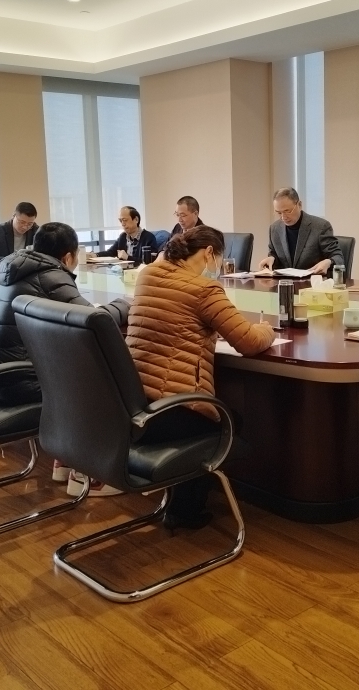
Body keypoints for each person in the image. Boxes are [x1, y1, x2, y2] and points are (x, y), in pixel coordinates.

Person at [126, 226, 275, 530]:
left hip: (135, 403)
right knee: (228, 422)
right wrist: (267, 329)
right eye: (219, 258)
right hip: (173, 408)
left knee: (208, 418)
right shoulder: (204, 289)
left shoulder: (147, 276)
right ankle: (185, 511)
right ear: (209, 253)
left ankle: (179, 502)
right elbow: (248, 342)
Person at [0, 221, 131, 495]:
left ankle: (65, 461)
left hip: (2, 376)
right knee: (106, 380)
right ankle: (91, 475)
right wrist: (125, 303)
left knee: (72, 363)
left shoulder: (17, 270)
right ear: (68, 256)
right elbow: (94, 320)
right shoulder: (50, 275)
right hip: (24, 382)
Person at [258, 187, 344, 275]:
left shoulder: (321, 226)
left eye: (287, 211)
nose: (283, 217)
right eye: (279, 213)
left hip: (312, 280)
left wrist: (328, 262)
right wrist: (272, 259)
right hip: (284, 281)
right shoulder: (274, 228)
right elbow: (274, 255)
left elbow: (338, 257)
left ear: (299, 205)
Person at [0, 202, 38, 269]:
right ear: (13, 216)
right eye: (22, 222)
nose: (25, 227)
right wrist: (11, 260)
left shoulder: (36, 231)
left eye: (30, 224)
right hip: (5, 272)